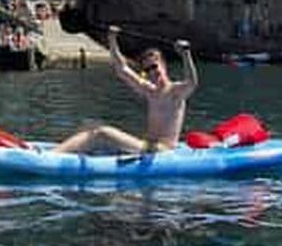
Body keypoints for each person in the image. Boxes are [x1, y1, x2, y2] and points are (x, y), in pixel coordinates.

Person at [53, 26, 199, 155]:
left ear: (164, 66)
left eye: (154, 66)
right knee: (88, 126)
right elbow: (122, 69)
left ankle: (51, 156)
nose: (152, 72)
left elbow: (192, 81)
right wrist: (112, 39)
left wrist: (186, 55)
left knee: (102, 132)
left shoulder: (176, 92)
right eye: (147, 69)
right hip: (146, 145)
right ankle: (62, 152)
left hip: (162, 150)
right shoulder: (149, 90)